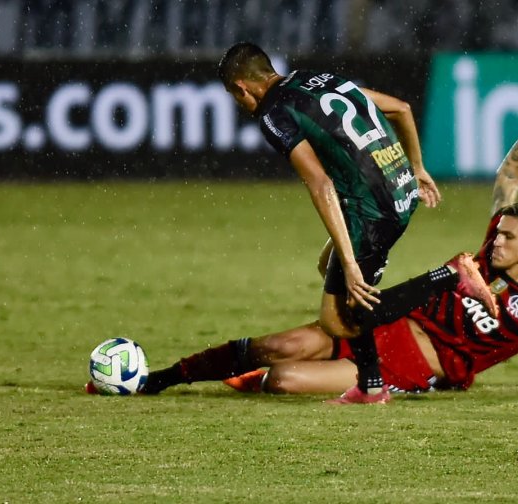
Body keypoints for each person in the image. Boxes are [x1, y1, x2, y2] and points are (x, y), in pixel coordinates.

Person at [120, 83, 518, 399]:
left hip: (413, 366)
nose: (498, 240)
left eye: (510, 237)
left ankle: (255, 380)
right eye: (501, 231)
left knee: (283, 380)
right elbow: (511, 172)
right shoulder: (488, 255)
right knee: (274, 346)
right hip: (384, 320)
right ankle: (163, 379)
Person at [211, 42, 496, 403]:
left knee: (338, 317)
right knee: (329, 270)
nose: (239, 105)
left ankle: (450, 278)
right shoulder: (315, 78)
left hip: (373, 209)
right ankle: (371, 384)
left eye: (234, 97)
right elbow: (402, 109)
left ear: (242, 87)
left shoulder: (273, 112)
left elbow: (320, 183)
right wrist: (417, 167)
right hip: (399, 190)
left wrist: (348, 261)